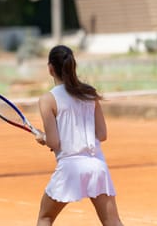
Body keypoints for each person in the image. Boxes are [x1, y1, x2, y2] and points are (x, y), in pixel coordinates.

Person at [35, 45, 123, 226]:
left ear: (50, 68)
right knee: (112, 222)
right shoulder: (89, 93)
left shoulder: (47, 100)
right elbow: (102, 134)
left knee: (45, 217)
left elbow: (54, 142)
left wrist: (43, 138)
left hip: (70, 168)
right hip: (97, 166)